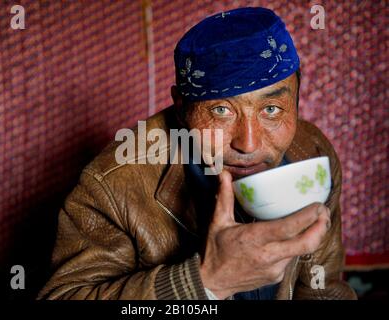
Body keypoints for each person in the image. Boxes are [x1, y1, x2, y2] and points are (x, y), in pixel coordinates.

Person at [38, 7, 356, 300]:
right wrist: (207, 281)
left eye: (271, 109)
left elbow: (322, 290)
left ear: (297, 98)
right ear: (181, 109)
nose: (247, 143)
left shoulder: (311, 156)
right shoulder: (112, 186)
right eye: (220, 110)